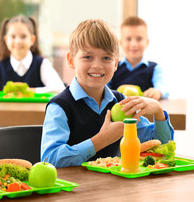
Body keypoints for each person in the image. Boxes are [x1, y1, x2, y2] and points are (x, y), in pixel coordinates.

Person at [41, 19, 174, 168]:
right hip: (77, 189)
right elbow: (49, 160)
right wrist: (102, 140)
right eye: (87, 57)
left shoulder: (121, 102)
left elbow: (159, 145)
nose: (97, 65)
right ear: (71, 60)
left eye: (106, 58)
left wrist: (158, 111)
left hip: (115, 188)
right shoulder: (60, 107)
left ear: (116, 63)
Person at [0, 15, 65, 96]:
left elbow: (59, 89)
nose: (18, 41)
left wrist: (29, 90)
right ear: (6, 40)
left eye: (23, 36)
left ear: (32, 40)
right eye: (13, 37)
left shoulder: (42, 63)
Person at [108, 16, 169, 100]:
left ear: (147, 42)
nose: (133, 44)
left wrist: (157, 92)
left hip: (146, 112)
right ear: (121, 42)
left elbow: (163, 88)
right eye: (128, 39)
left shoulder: (155, 68)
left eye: (139, 39)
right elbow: (103, 89)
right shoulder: (113, 67)